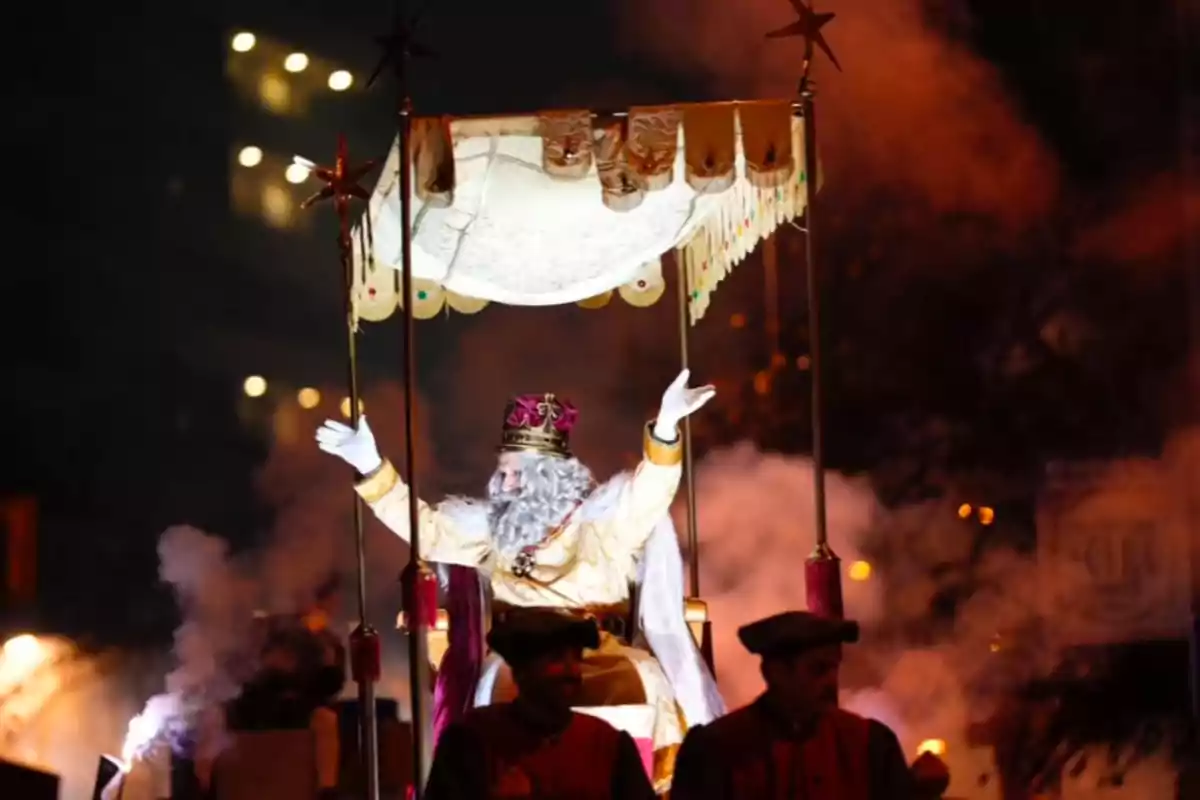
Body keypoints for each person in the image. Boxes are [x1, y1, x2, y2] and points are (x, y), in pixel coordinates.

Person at [316, 370, 725, 792]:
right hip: (518, 656)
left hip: (596, 652)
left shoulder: (603, 519)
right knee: (492, 692)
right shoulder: (491, 528)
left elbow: (652, 491)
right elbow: (426, 530)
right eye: (503, 471)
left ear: (548, 476)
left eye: (514, 473)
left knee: (648, 681)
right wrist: (371, 465)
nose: (503, 483)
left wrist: (665, 427)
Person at [671, 610, 943, 800]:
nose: (830, 682)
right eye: (818, 669)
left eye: (834, 668)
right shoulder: (715, 749)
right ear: (775, 673)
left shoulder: (870, 744)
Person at [424, 609, 656, 800]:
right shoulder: (469, 739)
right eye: (556, 658)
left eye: (576, 657)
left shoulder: (609, 743)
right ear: (522, 672)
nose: (572, 671)